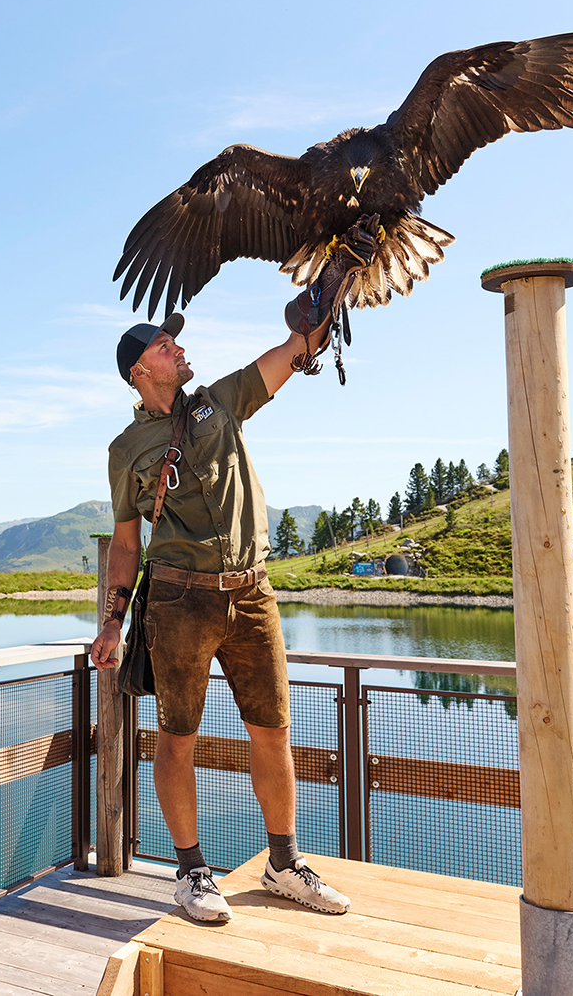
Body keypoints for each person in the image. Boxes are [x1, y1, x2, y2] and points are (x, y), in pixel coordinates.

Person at [92, 232, 375, 923]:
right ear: (139, 371)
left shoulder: (220, 400)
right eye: (165, 345)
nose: (179, 349)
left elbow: (292, 352)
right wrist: (113, 620)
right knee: (178, 740)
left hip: (253, 593)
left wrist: (333, 286)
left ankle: (283, 864)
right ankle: (192, 875)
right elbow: (127, 543)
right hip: (179, 603)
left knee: (273, 731)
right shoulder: (125, 449)